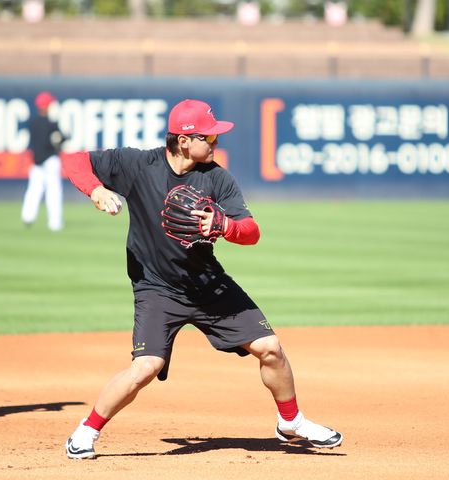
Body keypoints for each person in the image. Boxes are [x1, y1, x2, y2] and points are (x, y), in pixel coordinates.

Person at [62, 99, 343, 459]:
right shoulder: (138, 164)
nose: (215, 143)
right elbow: (75, 161)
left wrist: (226, 226)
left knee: (271, 349)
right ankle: (85, 432)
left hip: (209, 284)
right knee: (146, 367)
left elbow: (251, 231)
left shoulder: (217, 177)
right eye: (209, 137)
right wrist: (97, 190)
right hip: (158, 288)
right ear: (183, 140)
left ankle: (291, 422)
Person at [21, 91, 66, 231]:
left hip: (37, 161)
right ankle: (55, 222)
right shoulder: (52, 123)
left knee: (34, 190)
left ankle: (27, 216)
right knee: (53, 191)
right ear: (47, 106)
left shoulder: (32, 123)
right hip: (50, 160)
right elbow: (61, 139)